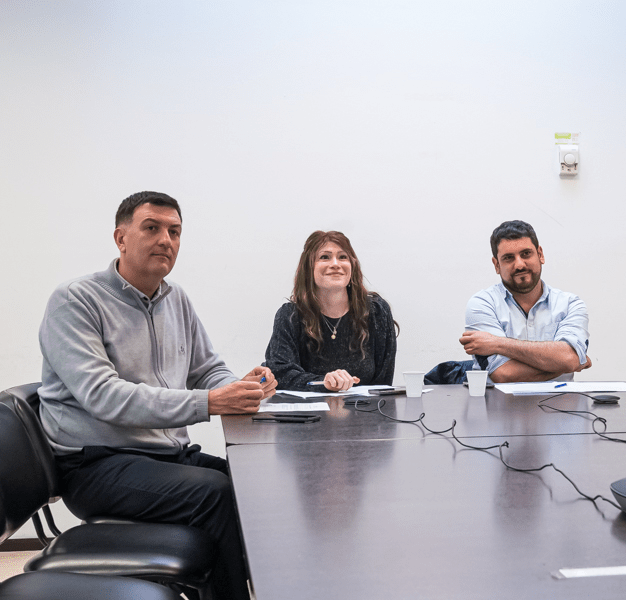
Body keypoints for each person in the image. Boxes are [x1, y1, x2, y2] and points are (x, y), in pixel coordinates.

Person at [38, 191, 277, 600]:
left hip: (165, 456)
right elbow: (104, 396)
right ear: (121, 238)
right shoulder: (76, 300)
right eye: (151, 228)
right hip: (95, 465)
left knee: (251, 479)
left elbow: (207, 370)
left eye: (174, 232)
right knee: (214, 493)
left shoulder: (175, 298)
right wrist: (210, 403)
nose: (165, 239)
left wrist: (242, 386)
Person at [459, 220, 590, 383]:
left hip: (561, 399)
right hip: (499, 400)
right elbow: (503, 374)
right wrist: (565, 364)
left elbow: (568, 358)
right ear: (497, 265)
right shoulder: (482, 304)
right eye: (508, 258)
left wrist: (498, 343)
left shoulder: (570, 304)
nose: (520, 265)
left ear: (540, 254)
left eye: (526, 254)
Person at [265, 230, 397, 391]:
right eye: (324, 257)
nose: (335, 264)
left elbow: (383, 382)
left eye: (343, 257)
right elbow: (280, 374)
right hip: (307, 407)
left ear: (352, 266)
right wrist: (325, 382)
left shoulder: (377, 311)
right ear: (309, 268)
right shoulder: (290, 316)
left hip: (365, 406)